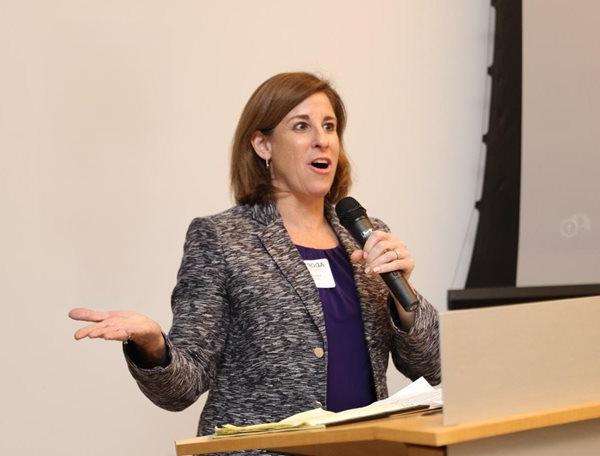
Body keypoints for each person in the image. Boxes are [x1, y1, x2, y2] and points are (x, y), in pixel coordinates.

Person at [69, 72, 440, 447]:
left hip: (363, 450)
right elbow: (183, 385)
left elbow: (432, 367)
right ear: (263, 145)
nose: (322, 140)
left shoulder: (366, 236)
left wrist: (402, 298)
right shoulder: (221, 238)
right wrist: (152, 346)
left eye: (329, 126)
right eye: (301, 126)